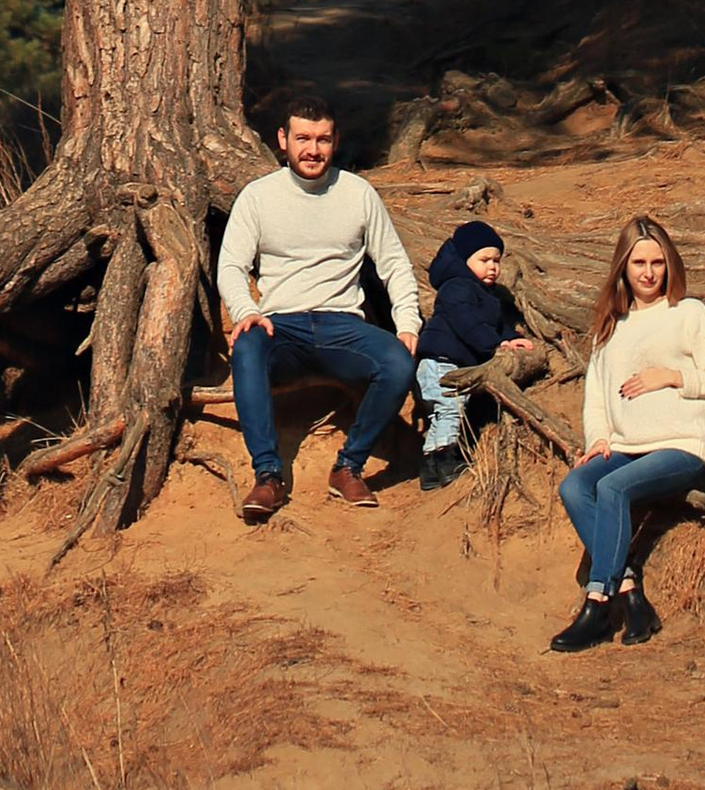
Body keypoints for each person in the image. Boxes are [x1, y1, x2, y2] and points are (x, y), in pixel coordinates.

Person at [218, 88, 423, 521]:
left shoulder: (358, 193)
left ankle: (349, 466)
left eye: (323, 140)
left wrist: (407, 323)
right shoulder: (258, 196)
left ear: (335, 141)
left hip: (342, 327)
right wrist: (246, 311)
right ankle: (268, 476)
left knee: (399, 363)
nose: (313, 150)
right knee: (248, 346)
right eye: (303, 139)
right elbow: (231, 266)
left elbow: (394, 264)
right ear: (283, 140)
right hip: (281, 329)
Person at [549, 212, 705, 652]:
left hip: (682, 446)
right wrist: (598, 437)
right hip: (627, 446)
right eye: (639, 264)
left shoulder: (687, 313)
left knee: (613, 489)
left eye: (658, 263)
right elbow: (595, 395)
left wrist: (673, 376)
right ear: (623, 268)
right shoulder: (610, 326)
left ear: (670, 264)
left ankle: (597, 607)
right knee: (576, 486)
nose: (649, 273)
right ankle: (632, 594)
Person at [413, 217, 545, 488]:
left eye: (496, 261)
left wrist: (511, 338)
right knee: (450, 411)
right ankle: (447, 459)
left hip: (444, 365)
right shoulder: (457, 288)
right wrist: (493, 346)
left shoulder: (483, 293)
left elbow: (495, 323)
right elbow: (469, 324)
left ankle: (430, 467)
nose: (493, 267)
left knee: (442, 414)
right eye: (484, 260)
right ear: (464, 260)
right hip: (442, 364)